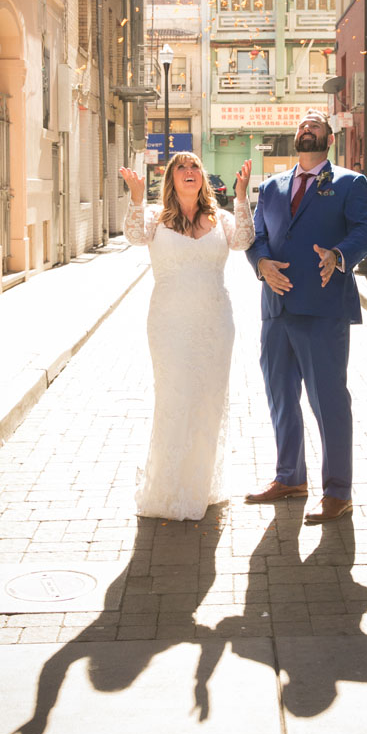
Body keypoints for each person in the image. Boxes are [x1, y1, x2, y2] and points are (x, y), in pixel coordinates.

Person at [245, 110, 367, 524]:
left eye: (316, 124)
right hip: (276, 310)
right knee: (281, 397)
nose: (307, 126)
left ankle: (338, 491)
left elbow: (364, 233)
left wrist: (339, 256)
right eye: (303, 123)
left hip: (322, 309)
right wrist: (261, 263)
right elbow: (256, 237)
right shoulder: (270, 187)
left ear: (329, 139)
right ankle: (290, 477)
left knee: (328, 402)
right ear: (295, 136)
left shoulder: (350, 183)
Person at [120, 152, 254, 521]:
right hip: (169, 323)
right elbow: (132, 237)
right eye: (181, 167)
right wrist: (134, 196)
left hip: (215, 322)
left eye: (194, 166)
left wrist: (242, 196)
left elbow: (243, 241)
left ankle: (202, 484)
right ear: (171, 179)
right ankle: (166, 487)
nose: (189, 171)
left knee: (209, 400)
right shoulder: (154, 218)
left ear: (203, 177)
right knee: (175, 398)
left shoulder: (222, 218)